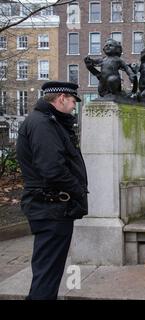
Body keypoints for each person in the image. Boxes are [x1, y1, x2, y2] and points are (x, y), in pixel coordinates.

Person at [16, 81, 88, 300]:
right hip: (51, 208)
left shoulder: (49, 122)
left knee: (48, 272)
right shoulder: (43, 124)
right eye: (73, 100)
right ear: (61, 98)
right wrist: (77, 191)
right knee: (46, 276)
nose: (74, 105)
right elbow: (52, 169)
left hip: (51, 208)